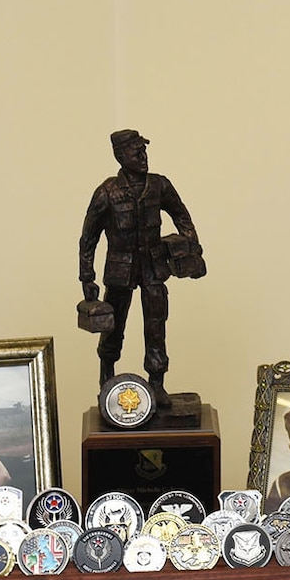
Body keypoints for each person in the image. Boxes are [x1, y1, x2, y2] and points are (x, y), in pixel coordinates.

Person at [78, 129, 205, 390]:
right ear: (120, 156)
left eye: (144, 150)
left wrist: (192, 247)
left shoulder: (160, 185)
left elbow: (182, 216)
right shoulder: (107, 192)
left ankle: (157, 384)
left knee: (156, 326)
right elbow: (88, 238)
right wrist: (86, 277)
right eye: (136, 152)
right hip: (119, 271)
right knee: (113, 326)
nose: (143, 156)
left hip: (153, 268)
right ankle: (107, 377)